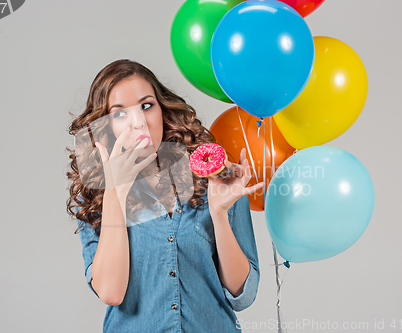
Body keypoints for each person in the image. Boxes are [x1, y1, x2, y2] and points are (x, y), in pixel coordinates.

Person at [66, 59, 265, 332]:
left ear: (162, 110)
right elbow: (111, 292)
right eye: (120, 113)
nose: (139, 122)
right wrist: (115, 192)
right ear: (104, 127)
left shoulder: (216, 179)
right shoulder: (95, 197)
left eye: (146, 106)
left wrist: (219, 214)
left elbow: (244, 294)